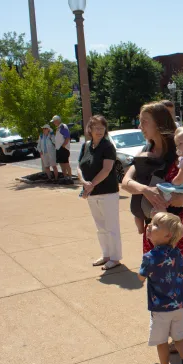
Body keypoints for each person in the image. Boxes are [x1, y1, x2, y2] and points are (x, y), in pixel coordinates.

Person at [121, 101, 183, 353]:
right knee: (161, 280)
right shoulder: (146, 151)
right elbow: (126, 181)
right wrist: (145, 190)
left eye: (145, 121)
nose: (140, 126)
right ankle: (170, 332)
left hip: (180, 226)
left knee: (182, 279)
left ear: (159, 124)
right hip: (155, 228)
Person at [137, 212, 183, 364]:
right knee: (179, 336)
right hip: (180, 305)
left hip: (160, 307)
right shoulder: (177, 253)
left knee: (161, 339)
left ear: (168, 235)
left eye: (155, 224)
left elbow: (141, 277)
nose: (149, 225)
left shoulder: (150, 257)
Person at [77, 115, 123, 271]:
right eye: (96, 128)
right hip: (92, 193)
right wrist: (83, 182)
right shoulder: (86, 146)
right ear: (89, 129)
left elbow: (107, 169)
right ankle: (106, 255)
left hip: (107, 192)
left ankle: (115, 257)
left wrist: (91, 185)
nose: (99, 131)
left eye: (102, 128)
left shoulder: (108, 146)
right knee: (100, 227)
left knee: (111, 226)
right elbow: (79, 167)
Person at [51, 115, 73, 184]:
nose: (53, 123)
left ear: (57, 121)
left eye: (54, 121)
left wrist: (62, 147)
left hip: (63, 149)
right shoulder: (58, 128)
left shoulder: (63, 127)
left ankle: (70, 178)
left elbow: (67, 138)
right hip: (58, 149)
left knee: (66, 164)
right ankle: (65, 178)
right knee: (61, 164)